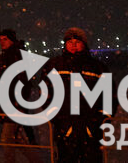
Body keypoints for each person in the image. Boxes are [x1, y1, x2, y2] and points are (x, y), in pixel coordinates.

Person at [43, 28, 109, 163]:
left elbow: (109, 97)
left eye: (77, 42)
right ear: (65, 44)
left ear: (84, 44)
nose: (73, 45)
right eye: (70, 42)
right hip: (64, 130)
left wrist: (99, 120)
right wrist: (56, 118)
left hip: (91, 132)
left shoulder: (97, 67)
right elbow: (45, 94)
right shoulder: (54, 66)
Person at [0, 29, 40, 163]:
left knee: (7, 137)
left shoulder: (18, 56)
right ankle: (36, 160)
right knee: (15, 138)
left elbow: (24, 82)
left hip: (14, 104)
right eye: (0, 39)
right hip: (7, 102)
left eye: (5, 39)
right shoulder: (4, 56)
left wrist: (19, 103)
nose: (1, 42)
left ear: (12, 40)